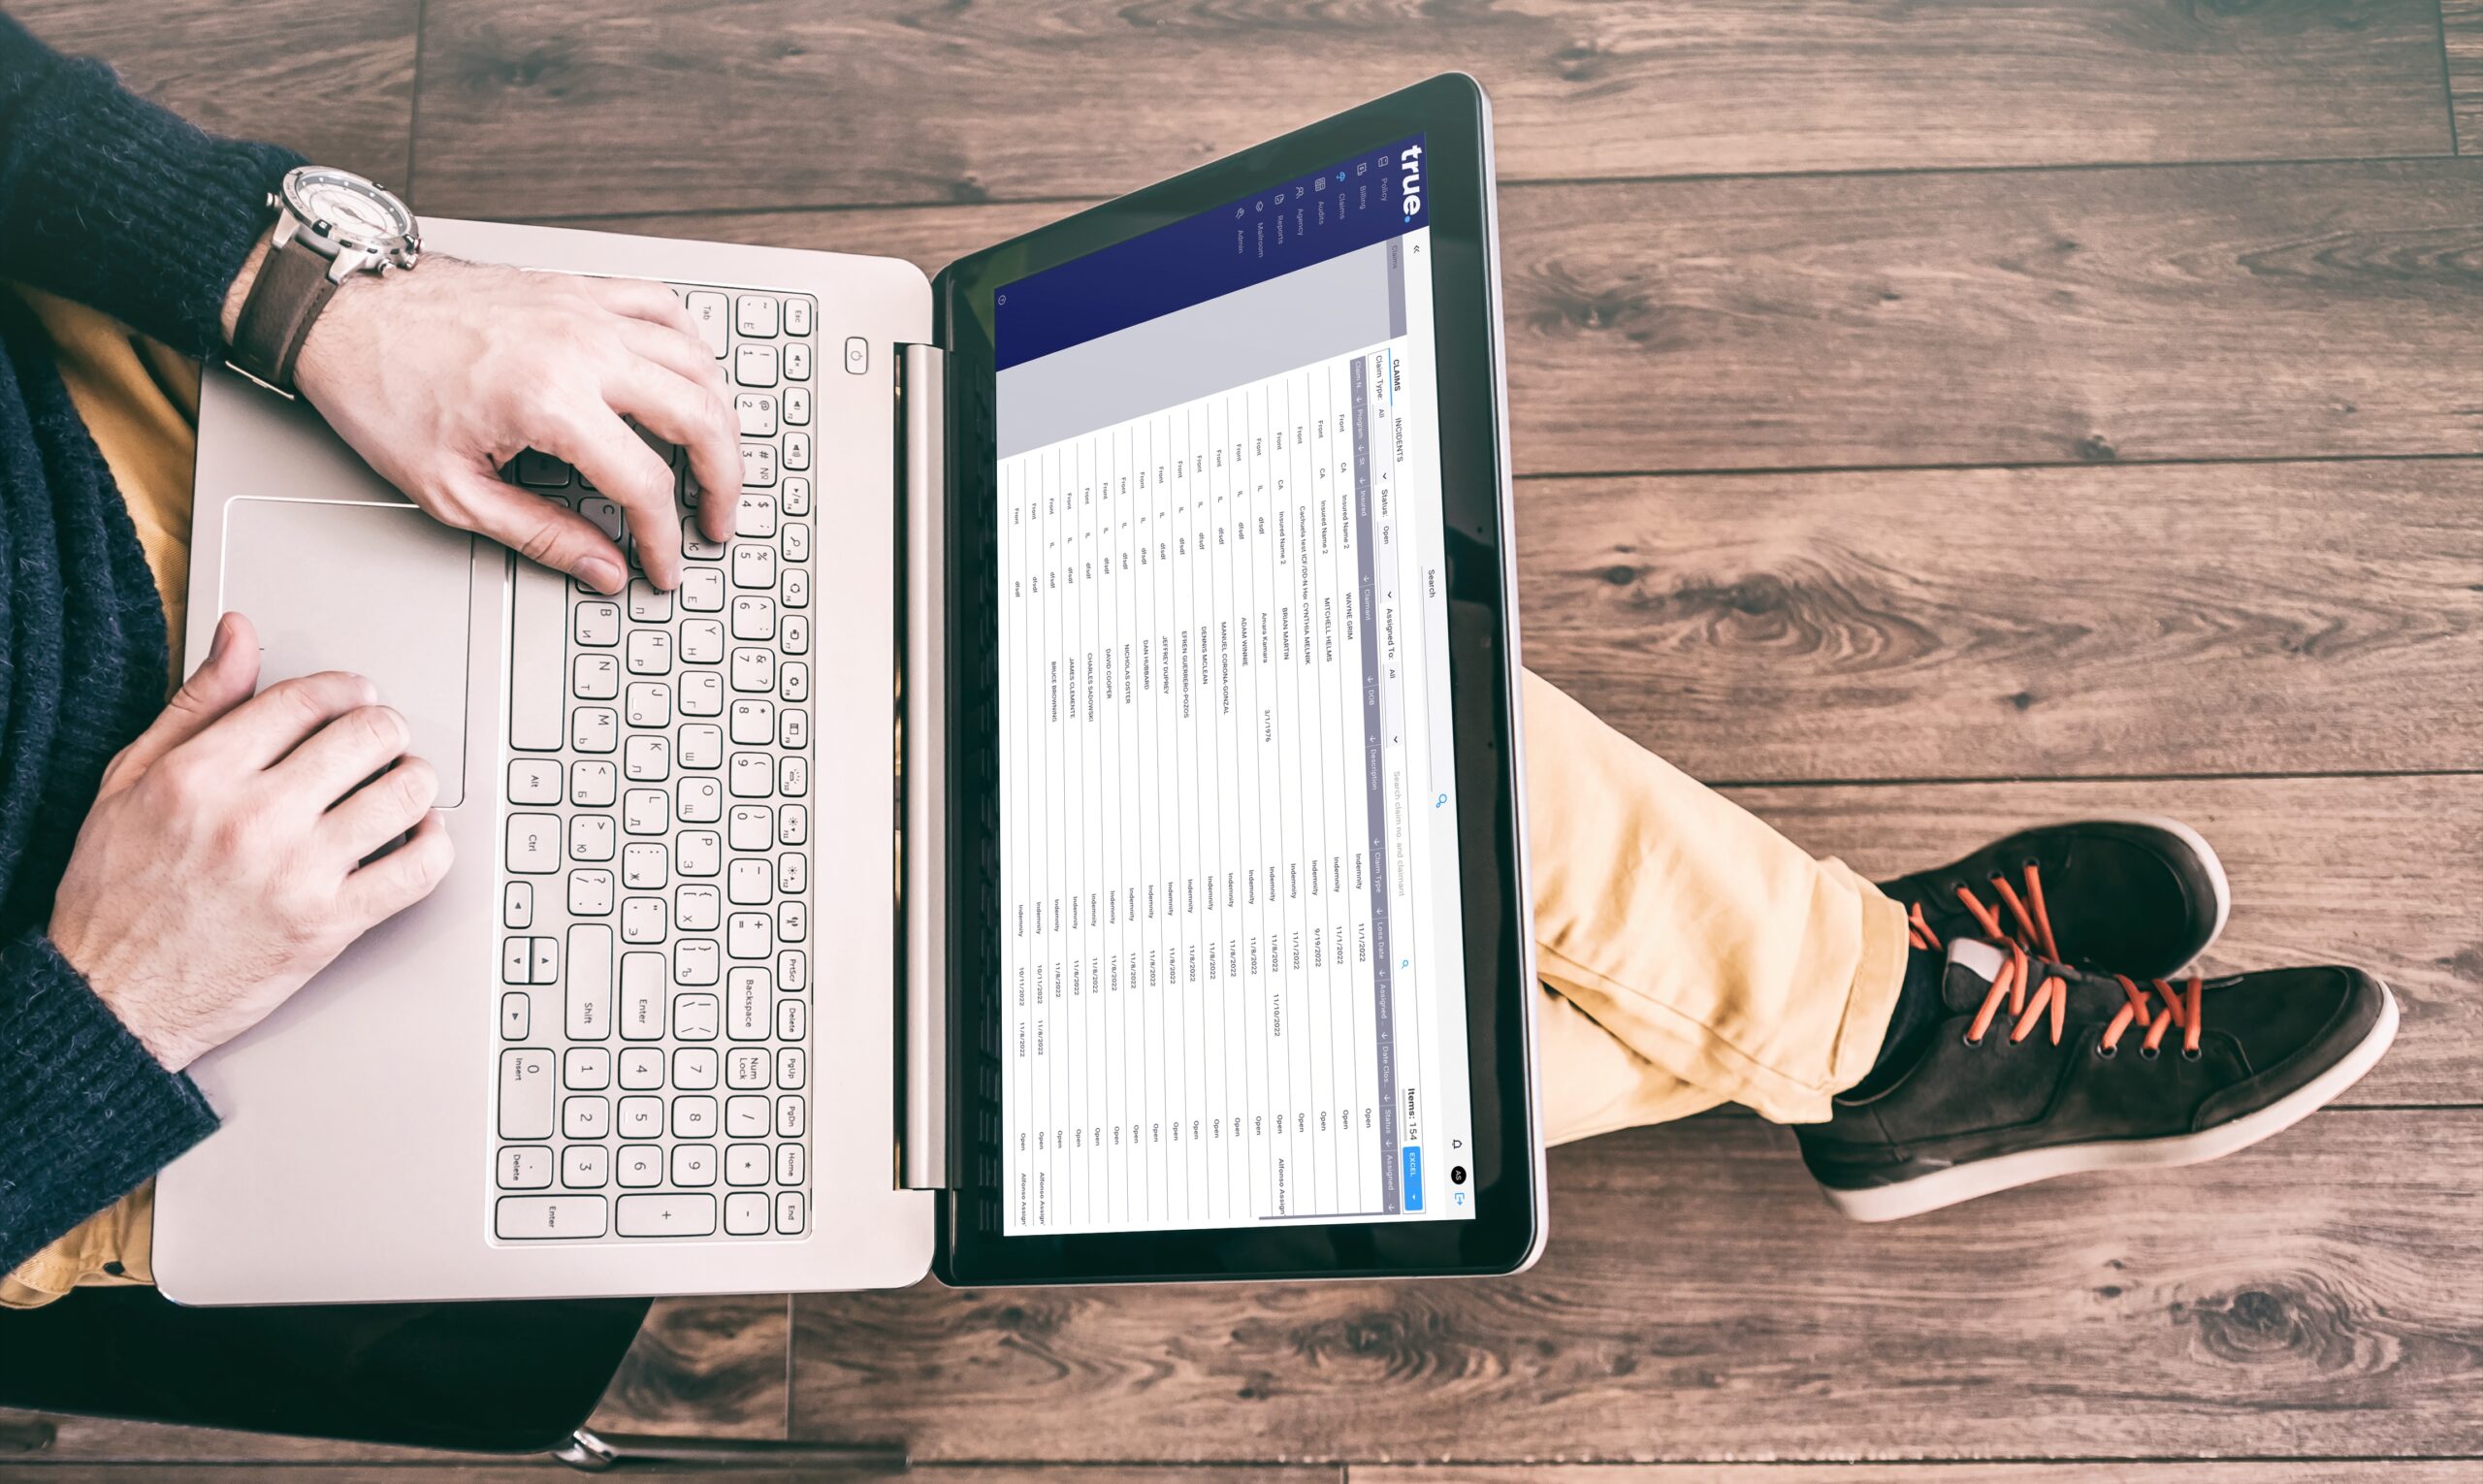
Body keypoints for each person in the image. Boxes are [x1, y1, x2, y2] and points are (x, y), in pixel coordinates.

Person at [0, 15, 2394, 1304]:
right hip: (156, 965)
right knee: (1147, 813)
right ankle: (1898, 1029)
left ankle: (1869, 1040)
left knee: (1072, 675)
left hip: (167, 433)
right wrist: (99, 1015)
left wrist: (299, 285)